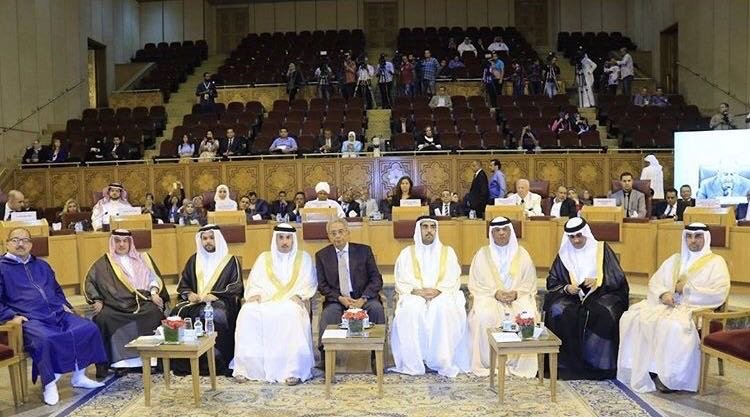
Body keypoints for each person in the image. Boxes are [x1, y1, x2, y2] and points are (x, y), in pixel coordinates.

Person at [0, 227, 107, 405]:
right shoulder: (2, 267)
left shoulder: (42, 265)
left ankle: (79, 376)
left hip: (56, 312)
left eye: (25, 240)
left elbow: (56, 289)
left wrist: (64, 304)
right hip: (29, 318)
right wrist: (11, 316)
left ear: (31, 244)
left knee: (87, 328)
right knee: (46, 339)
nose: (20, 244)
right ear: (7, 243)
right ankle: (49, 384)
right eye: (16, 240)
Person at [618, 223, 730, 393]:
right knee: (632, 317)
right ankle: (647, 368)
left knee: (672, 327)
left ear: (706, 238)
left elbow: (719, 292)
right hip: (666, 306)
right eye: (689, 236)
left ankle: (671, 378)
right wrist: (663, 294)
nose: (693, 241)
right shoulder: (675, 259)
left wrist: (688, 290)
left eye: (698, 236)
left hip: (695, 310)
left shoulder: (716, 263)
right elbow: (655, 281)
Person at [544, 217, 629, 379]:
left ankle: (599, 365)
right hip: (572, 296)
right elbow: (552, 281)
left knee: (604, 312)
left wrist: (598, 281)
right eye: (572, 237)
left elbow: (617, 277)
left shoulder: (601, 249)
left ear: (586, 233)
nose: (576, 240)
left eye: (579, 235)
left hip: (602, 293)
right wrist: (567, 288)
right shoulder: (564, 254)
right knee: (557, 310)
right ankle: (565, 365)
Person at [232, 224, 316, 385]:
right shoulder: (264, 258)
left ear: (293, 239)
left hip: (291, 302)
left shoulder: (303, 258)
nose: (285, 242)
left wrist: (300, 295)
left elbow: (309, 282)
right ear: (275, 239)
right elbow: (254, 282)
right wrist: (255, 294)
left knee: (290, 313)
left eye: (288, 238)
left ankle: (293, 370)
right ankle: (247, 368)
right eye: (281, 237)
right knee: (247, 312)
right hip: (266, 301)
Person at [390, 217, 470, 377]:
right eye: (425, 227)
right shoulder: (406, 253)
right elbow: (402, 279)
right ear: (418, 230)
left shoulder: (448, 252)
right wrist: (418, 291)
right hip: (415, 294)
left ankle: (441, 360)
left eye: (432, 227)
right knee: (411, 309)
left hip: (442, 294)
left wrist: (438, 290)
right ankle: (415, 362)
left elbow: (453, 277)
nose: (429, 230)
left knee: (442, 308)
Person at [85, 230, 168, 377]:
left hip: (142, 301)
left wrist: (154, 293)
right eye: (118, 241)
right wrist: (97, 299)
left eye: (125, 241)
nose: (121, 244)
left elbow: (153, 278)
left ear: (130, 243)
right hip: (115, 304)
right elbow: (91, 281)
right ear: (113, 243)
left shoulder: (143, 258)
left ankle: (150, 361)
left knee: (154, 313)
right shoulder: (104, 263)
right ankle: (120, 364)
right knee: (105, 318)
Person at [468, 217, 538, 377]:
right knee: (484, 316)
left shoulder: (522, 254)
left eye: (504, 229)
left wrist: (516, 293)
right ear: (491, 233)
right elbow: (476, 283)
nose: (501, 233)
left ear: (510, 231)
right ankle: (488, 362)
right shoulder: (482, 254)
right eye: (497, 230)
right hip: (489, 297)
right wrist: (495, 293)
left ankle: (518, 363)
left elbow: (529, 282)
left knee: (527, 315)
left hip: (518, 297)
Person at [315, 219, 385, 369]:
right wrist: (340, 298)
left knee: (376, 309)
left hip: (364, 298)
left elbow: (376, 279)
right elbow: (322, 285)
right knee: (328, 314)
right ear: (328, 236)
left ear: (348, 233)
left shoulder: (364, 251)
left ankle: (376, 356)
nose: (337, 236)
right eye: (333, 233)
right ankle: (326, 357)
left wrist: (363, 298)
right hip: (338, 300)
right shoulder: (322, 255)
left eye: (341, 232)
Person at [174, 225, 243, 375]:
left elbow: (236, 286)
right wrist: (189, 294)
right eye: (204, 238)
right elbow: (184, 284)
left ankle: (216, 360)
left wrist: (216, 294)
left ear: (218, 239)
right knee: (176, 313)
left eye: (211, 238)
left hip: (222, 301)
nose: (208, 241)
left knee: (215, 313)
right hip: (196, 302)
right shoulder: (194, 260)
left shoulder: (231, 260)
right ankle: (188, 360)